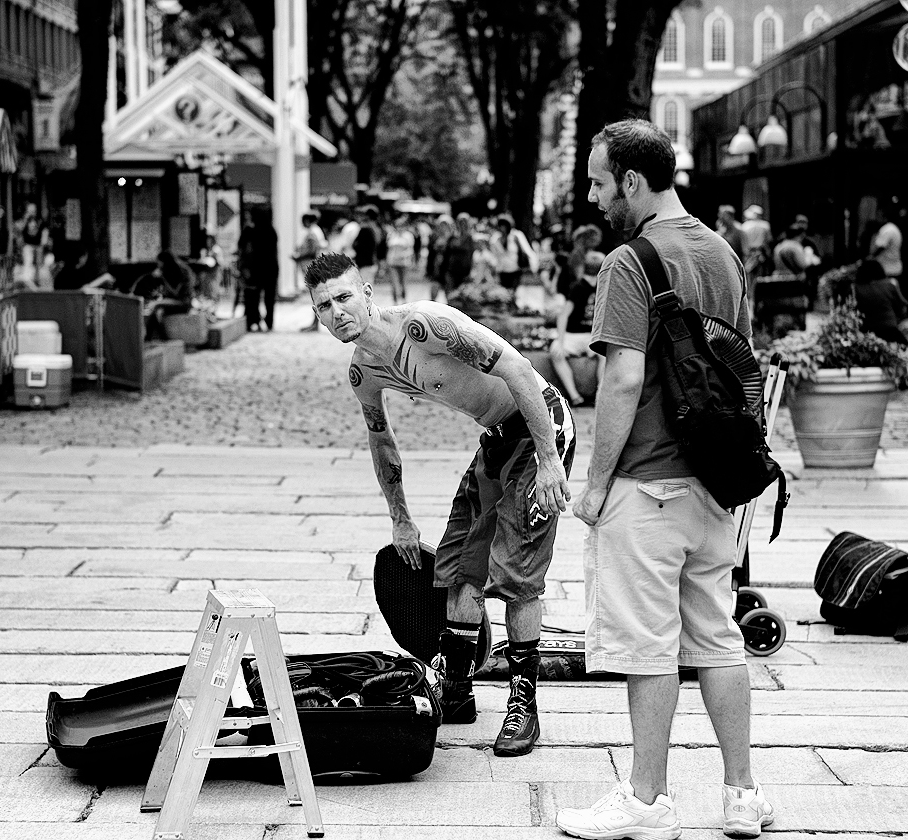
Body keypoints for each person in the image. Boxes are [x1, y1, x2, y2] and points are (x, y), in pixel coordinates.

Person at [555, 119, 771, 840]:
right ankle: (741, 795)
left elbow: (622, 380)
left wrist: (594, 485)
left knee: (648, 647)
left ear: (632, 181)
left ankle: (647, 801)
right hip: (714, 484)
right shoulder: (723, 252)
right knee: (717, 638)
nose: (593, 197)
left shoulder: (629, 261)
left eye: (598, 183)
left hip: (646, 482)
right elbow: (742, 363)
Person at [304, 251, 574, 757]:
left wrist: (549, 460)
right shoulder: (365, 372)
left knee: (516, 572)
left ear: (366, 293)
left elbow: (518, 369)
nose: (337, 312)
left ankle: (524, 704)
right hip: (497, 438)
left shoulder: (425, 325)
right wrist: (401, 520)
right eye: (324, 306)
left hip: (540, 425)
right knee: (457, 565)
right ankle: (456, 690)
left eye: (343, 297)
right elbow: (382, 442)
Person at [549, 250, 605, 408]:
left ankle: (600, 394)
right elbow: (563, 316)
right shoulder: (578, 287)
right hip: (573, 336)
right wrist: (560, 342)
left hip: (592, 336)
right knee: (556, 351)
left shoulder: (603, 288)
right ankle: (575, 396)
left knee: (606, 353)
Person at [132, 251, 196, 341]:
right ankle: (151, 337)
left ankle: (159, 338)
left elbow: (176, 293)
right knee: (155, 309)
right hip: (178, 301)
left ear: (164, 261)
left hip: (183, 302)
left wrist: (162, 277)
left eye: (159, 262)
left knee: (156, 305)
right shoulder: (172, 270)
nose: (158, 264)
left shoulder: (180, 271)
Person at [853, 258, 908, 348]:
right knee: (903, 345)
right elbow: (901, 306)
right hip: (889, 329)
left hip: (866, 330)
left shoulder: (856, 288)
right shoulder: (890, 284)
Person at [238, 210, 279, 332]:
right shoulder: (271, 231)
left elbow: (243, 247)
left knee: (253, 296)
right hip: (271, 269)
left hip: (255, 270)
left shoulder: (251, 231)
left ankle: (254, 319)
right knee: (269, 298)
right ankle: (269, 322)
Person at [492, 213, 538, 292]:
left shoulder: (516, 235)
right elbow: (494, 255)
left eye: (504, 225)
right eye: (501, 225)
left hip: (515, 270)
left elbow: (528, 251)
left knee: (513, 292)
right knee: (505, 293)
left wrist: (534, 267)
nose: (503, 228)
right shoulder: (496, 238)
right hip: (502, 271)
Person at [439, 213, 476, 296]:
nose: (462, 224)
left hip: (465, 272)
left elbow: (472, 255)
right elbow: (446, 254)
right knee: (450, 294)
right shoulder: (452, 237)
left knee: (461, 296)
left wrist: (471, 271)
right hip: (451, 270)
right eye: (460, 222)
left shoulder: (470, 238)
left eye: (464, 222)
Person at [870, 203, 904, 287]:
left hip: (887, 270)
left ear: (884, 216)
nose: (876, 218)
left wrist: (868, 259)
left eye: (878, 215)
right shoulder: (893, 228)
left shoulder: (887, 229)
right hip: (892, 269)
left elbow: (879, 248)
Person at [385, 215, 416, 304]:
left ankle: (403, 298)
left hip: (404, 262)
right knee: (394, 282)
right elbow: (388, 248)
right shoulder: (391, 235)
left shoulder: (408, 236)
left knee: (403, 282)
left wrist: (410, 259)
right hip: (392, 262)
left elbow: (411, 249)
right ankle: (395, 300)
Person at [740, 204, 773, 279]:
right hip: (762, 253)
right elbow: (769, 240)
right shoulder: (765, 225)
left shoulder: (744, 226)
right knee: (762, 276)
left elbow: (743, 243)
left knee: (748, 276)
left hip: (748, 254)